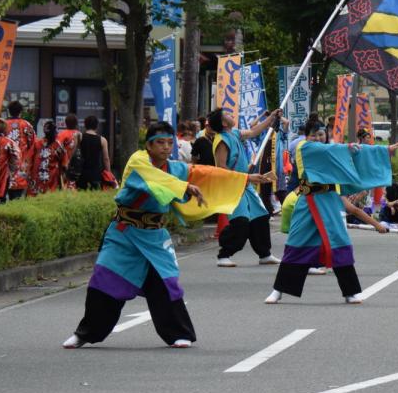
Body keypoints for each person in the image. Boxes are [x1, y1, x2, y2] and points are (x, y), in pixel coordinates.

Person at [62, 121, 270, 349]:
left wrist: (245, 179)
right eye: (159, 143)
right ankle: (85, 333)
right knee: (104, 281)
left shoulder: (175, 169)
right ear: (148, 145)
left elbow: (206, 173)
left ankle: (178, 333)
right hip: (124, 234)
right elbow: (152, 179)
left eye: (169, 143)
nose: (165, 147)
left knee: (165, 283)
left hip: (154, 236)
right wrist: (184, 187)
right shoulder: (138, 161)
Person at [264, 120, 397, 304]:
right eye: (314, 134)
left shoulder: (332, 151)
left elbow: (357, 151)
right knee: (296, 243)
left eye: (321, 134)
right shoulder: (305, 148)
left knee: (339, 243)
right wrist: (348, 147)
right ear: (307, 136)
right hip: (307, 204)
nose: (318, 138)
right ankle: (278, 290)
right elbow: (333, 150)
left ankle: (350, 292)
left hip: (329, 202)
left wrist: (385, 150)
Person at [211, 106, 282, 267]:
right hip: (232, 186)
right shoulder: (221, 140)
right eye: (227, 114)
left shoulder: (234, 133)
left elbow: (254, 131)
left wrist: (271, 117)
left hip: (245, 184)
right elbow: (221, 168)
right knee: (240, 222)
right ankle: (224, 254)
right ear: (223, 123)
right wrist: (247, 177)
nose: (231, 115)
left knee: (261, 217)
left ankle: (265, 254)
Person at [5, 101, 37, 200]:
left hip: (6, 167)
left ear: (9, 111)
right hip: (21, 167)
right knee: (18, 198)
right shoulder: (26, 125)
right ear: (21, 112)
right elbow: (33, 145)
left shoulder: (3, 125)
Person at [32, 120, 69, 194]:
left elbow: (30, 161)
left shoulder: (37, 143)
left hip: (37, 184)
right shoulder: (58, 145)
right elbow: (65, 165)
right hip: (51, 186)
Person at [76, 115, 111, 191]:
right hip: (96, 173)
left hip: (82, 172)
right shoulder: (102, 140)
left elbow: (75, 152)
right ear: (96, 126)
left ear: (85, 125)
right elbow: (106, 159)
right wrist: (109, 173)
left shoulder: (80, 137)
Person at [57, 114, 81, 190]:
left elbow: (58, 149)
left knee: (65, 185)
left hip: (65, 164)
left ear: (66, 123)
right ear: (76, 123)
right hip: (78, 164)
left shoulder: (62, 134)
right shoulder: (80, 134)